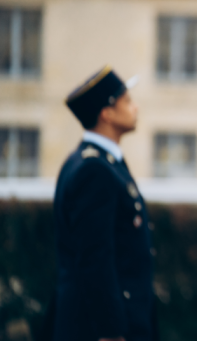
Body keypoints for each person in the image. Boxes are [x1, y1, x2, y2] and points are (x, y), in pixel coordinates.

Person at [53, 66, 157, 341]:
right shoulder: (95, 170)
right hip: (103, 329)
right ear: (107, 113)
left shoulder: (94, 161)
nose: (135, 108)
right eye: (127, 101)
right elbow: (94, 258)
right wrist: (111, 331)